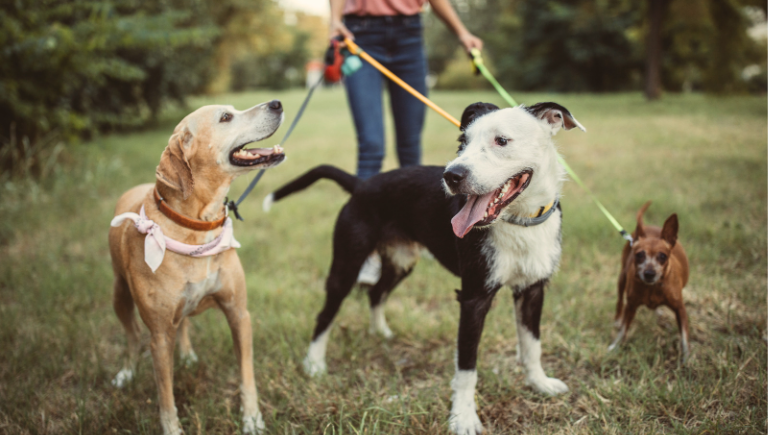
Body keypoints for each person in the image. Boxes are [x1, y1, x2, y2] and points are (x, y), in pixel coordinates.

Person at [328, 0, 483, 284]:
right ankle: (367, 251)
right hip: (359, 35)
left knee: (410, 146)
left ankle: (414, 234)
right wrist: (334, 19)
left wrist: (462, 32)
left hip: (410, 35)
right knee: (371, 146)